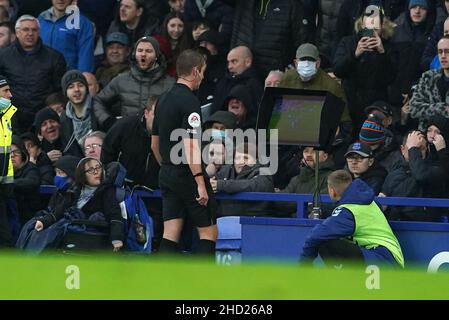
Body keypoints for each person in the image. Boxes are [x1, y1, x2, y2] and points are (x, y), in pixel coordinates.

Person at [151, 49, 217, 255]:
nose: (204, 77)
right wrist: (199, 182)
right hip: (188, 173)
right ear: (196, 71)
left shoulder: (162, 99)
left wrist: (168, 168)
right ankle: (203, 285)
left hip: (167, 173)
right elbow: (190, 145)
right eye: (203, 71)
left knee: (170, 231)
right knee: (209, 232)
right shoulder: (190, 102)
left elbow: (154, 143)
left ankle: (163, 284)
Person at [300, 169, 404, 268]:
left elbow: (315, 235)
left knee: (326, 243)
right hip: (390, 258)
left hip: (382, 259)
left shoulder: (347, 212)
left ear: (332, 191)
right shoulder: (370, 201)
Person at [34, 157, 126, 251]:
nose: (96, 172)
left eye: (98, 168)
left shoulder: (107, 191)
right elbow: (60, 210)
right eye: (90, 170)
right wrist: (44, 221)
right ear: (82, 175)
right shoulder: (75, 190)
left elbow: (115, 215)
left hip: (93, 237)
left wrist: (117, 237)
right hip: (72, 234)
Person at [0, 15, 66, 133]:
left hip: (43, 118)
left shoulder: (55, 57)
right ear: (17, 32)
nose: (30, 33)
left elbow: (59, 90)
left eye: (34, 30)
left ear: (39, 32)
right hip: (11, 116)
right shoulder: (3, 56)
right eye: (26, 29)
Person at [333, 8, 396, 132]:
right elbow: (338, 70)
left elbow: (391, 78)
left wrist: (382, 52)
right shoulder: (348, 42)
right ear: (362, 25)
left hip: (375, 108)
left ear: (382, 26)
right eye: (368, 29)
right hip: (350, 106)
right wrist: (355, 54)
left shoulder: (389, 47)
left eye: (375, 29)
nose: (371, 33)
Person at [93, 36, 174, 131]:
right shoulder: (121, 80)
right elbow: (98, 101)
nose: (143, 54)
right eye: (140, 50)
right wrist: (108, 121)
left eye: (148, 51)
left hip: (158, 138)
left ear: (157, 55)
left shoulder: (170, 84)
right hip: (127, 137)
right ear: (134, 54)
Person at [380, 130, 447, 221]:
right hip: (399, 228)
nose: (417, 152)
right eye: (413, 148)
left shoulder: (434, 169)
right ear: (403, 149)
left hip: (427, 229)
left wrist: (413, 148)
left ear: (426, 150)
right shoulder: (393, 173)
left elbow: (421, 176)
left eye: (421, 148)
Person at [279, 43, 351, 126]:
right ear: (295, 63)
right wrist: (272, 138)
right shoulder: (287, 79)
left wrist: (337, 138)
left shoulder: (331, 86)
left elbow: (344, 121)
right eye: (303, 60)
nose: (306, 64)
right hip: (289, 129)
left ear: (318, 63)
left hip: (318, 132)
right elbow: (274, 113)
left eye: (311, 60)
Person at [210, 142, 274, 217]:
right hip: (223, 221)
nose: (241, 161)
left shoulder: (264, 172)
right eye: (237, 158)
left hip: (253, 223)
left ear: (256, 160)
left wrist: (221, 185)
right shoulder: (226, 170)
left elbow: (252, 185)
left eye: (246, 158)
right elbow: (211, 183)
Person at [38, 0, 95, 72]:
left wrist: (81, 79)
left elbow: (86, 56)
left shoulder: (82, 23)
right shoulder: (41, 19)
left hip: (68, 78)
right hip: (41, 76)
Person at [410, 35, 449, 130]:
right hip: (428, 135)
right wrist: (441, 108)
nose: (443, 56)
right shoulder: (428, 77)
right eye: (440, 52)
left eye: (447, 51)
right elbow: (414, 108)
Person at [60, 70, 99, 158]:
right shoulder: (64, 118)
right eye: (71, 87)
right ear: (65, 92)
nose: (76, 90)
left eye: (80, 85)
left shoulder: (99, 107)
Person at [0, 75, 16, 247]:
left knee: (5, 240)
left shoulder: (5, 119)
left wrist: (7, 183)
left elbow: (5, 156)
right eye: (5, 91)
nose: (10, 95)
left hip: (2, 190)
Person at [10, 135, 41, 224]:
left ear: (23, 154)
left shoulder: (31, 168)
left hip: (27, 216)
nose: (12, 156)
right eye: (8, 152)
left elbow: (32, 182)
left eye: (16, 152)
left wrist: (8, 183)